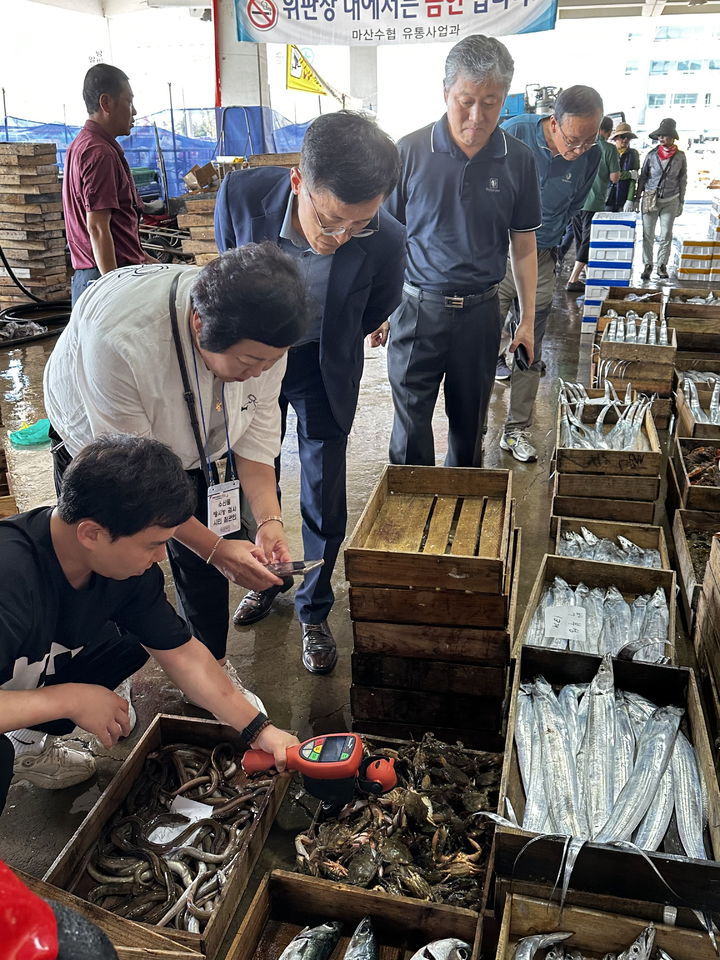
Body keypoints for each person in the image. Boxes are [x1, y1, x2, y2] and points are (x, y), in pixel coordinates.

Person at [43, 247, 309, 705]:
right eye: (250, 363)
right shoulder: (120, 340)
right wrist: (216, 548)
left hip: (201, 447)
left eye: (272, 361)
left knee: (206, 566)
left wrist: (269, 521)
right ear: (199, 325)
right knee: (109, 568)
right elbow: (134, 482)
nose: (260, 373)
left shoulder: (263, 336)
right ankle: (101, 678)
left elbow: (258, 434)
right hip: (110, 454)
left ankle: (212, 671)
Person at [0, 435, 298, 814]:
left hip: (22, 670)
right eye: (153, 544)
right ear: (91, 533)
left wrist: (258, 730)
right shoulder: (10, 577)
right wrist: (69, 698)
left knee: (127, 643)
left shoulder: (125, 573)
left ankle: (26, 736)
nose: (161, 557)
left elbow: (183, 654)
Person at [214, 111, 405, 676]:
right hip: (252, 365)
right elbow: (229, 278)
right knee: (255, 474)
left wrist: (336, 334)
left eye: (358, 225)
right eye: (331, 221)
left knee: (324, 489)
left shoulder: (386, 236)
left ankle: (315, 607)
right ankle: (264, 578)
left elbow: (378, 305)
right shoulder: (242, 198)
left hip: (323, 364)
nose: (341, 237)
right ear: (299, 180)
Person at [385, 35, 540, 470]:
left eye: (490, 103)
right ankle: (411, 515)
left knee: (470, 423)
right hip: (416, 310)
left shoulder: (518, 159)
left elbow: (524, 246)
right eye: (466, 100)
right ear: (446, 92)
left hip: (481, 314)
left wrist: (526, 321)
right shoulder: (409, 151)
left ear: (504, 98)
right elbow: (387, 237)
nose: (477, 116)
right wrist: (379, 308)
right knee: (411, 422)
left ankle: (460, 511)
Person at [496, 85, 603, 462]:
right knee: (476, 343)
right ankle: (469, 427)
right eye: (573, 140)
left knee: (530, 344)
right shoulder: (514, 132)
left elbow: (576, 205)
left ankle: (516, 430)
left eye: (590, 141)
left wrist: (553, 250)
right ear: (553, 123)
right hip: (495, 254)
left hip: (540, 258)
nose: (579, 150)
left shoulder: (593, 155)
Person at [62, 64, 150, 306]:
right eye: (129, 101)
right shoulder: (100, 153)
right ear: (106, 103)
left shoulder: (81, 145)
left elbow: (117, 231)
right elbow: (98, 228)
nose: (134, 111)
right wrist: (113, 291)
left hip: (95, 275)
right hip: (104, 278)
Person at [565, 116, 620, 292]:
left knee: (581, 240)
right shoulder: (609, 149)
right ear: (609, 132)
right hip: (594, 202)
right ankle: (573, 280)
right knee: (588, 242)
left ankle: (589, 277)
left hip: (576, 202)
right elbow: (614, 177)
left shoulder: (582, 146)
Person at [636, 117, 687, 281]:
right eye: (660, 136)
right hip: (650, 199)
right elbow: (643, 177)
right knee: (647, 234)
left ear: (672, 137)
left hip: (671, 199)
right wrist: (637, 198)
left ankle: (662, 265)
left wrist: (681, 201)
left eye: (664, 136)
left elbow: (683, 179)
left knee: (666, 234)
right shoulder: (651, 155)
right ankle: (647, 265)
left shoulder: (680, 156)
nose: (661, 138)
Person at [606, 121, 640, 213]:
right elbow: (608, 174)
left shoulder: (634, 154)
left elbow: (635, 177)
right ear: (616, 138)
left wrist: (630, 199)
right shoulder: (609, 151)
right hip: (607, 197)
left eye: (628, 137)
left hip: (624, 198)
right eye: (622, 137)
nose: (625, 139)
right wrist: (628, 174)